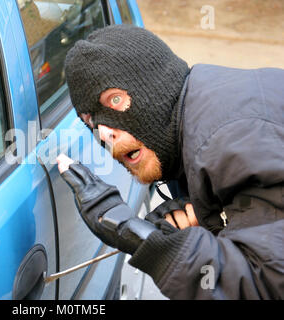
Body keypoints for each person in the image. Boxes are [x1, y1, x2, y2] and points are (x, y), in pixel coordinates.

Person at [56, 24, 284, 299]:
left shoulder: (230, 141)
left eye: (114, 99)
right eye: (90, 121)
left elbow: (267, 286)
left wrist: (142, 239)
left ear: (156, 85)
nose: (104, 132)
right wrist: (215, 223)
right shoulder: (200, 113)